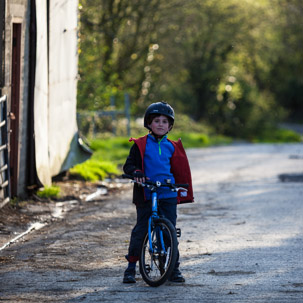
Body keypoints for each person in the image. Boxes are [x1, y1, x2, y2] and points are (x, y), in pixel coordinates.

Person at [122, 101, 194, 284]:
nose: (161, 124)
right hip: (146, 192)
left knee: (170, 231)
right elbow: (129, 165)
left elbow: (179, 170)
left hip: (167, 193)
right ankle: (131, 268)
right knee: (140, 230)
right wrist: (136, 172)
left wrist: (180, 187)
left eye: (165, 121)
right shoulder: (140, 145)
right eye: (156, 121)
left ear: (170, 126)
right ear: (149, 123)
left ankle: (173, 268)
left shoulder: (172, 147)